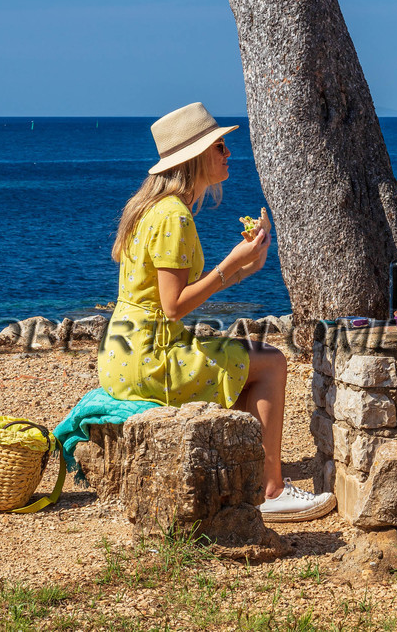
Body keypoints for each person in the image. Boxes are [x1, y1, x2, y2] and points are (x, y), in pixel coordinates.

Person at [101, 102, 335, 522]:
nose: (229, 154)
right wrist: (232, 264)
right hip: (153, 356)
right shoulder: (174, 217)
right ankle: (271, 490)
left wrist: (248, 267)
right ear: (195, 158)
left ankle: (250, 480)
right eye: (220, 147)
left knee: (248, 360)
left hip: (125, 350)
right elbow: (173, 306)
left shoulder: (154, 209)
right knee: (272, 362)